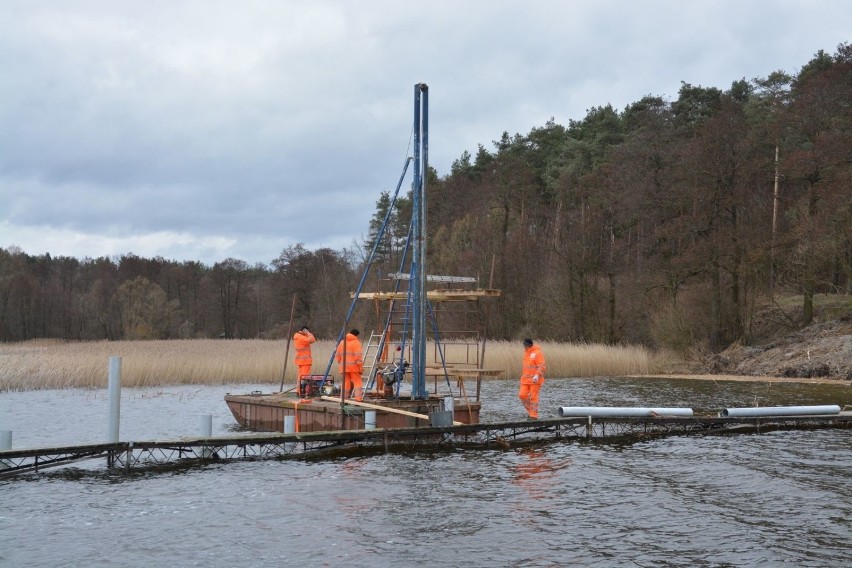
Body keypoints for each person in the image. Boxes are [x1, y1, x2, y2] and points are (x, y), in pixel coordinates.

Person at [518, 338, 546, 420]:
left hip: (535, 380)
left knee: (534, 397)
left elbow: (542, 366)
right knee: (521, 395)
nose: (524, 346)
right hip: (525, 380)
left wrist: (537, 375)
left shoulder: (537, 353)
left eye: (525, 345)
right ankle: (531, 412)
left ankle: (533, 415)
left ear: (529, 345)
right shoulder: (526, 353)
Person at [336, 328, 364, 401]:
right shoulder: (356, 342)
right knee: (357, 382)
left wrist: (342, 363)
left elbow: (337, 356)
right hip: (354, 367)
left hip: (343, 367)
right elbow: (358, 357)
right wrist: (360, 367)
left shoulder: (342, 342)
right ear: (356, 335)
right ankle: (358, 398)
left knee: (345, 382)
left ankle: (343, 397)